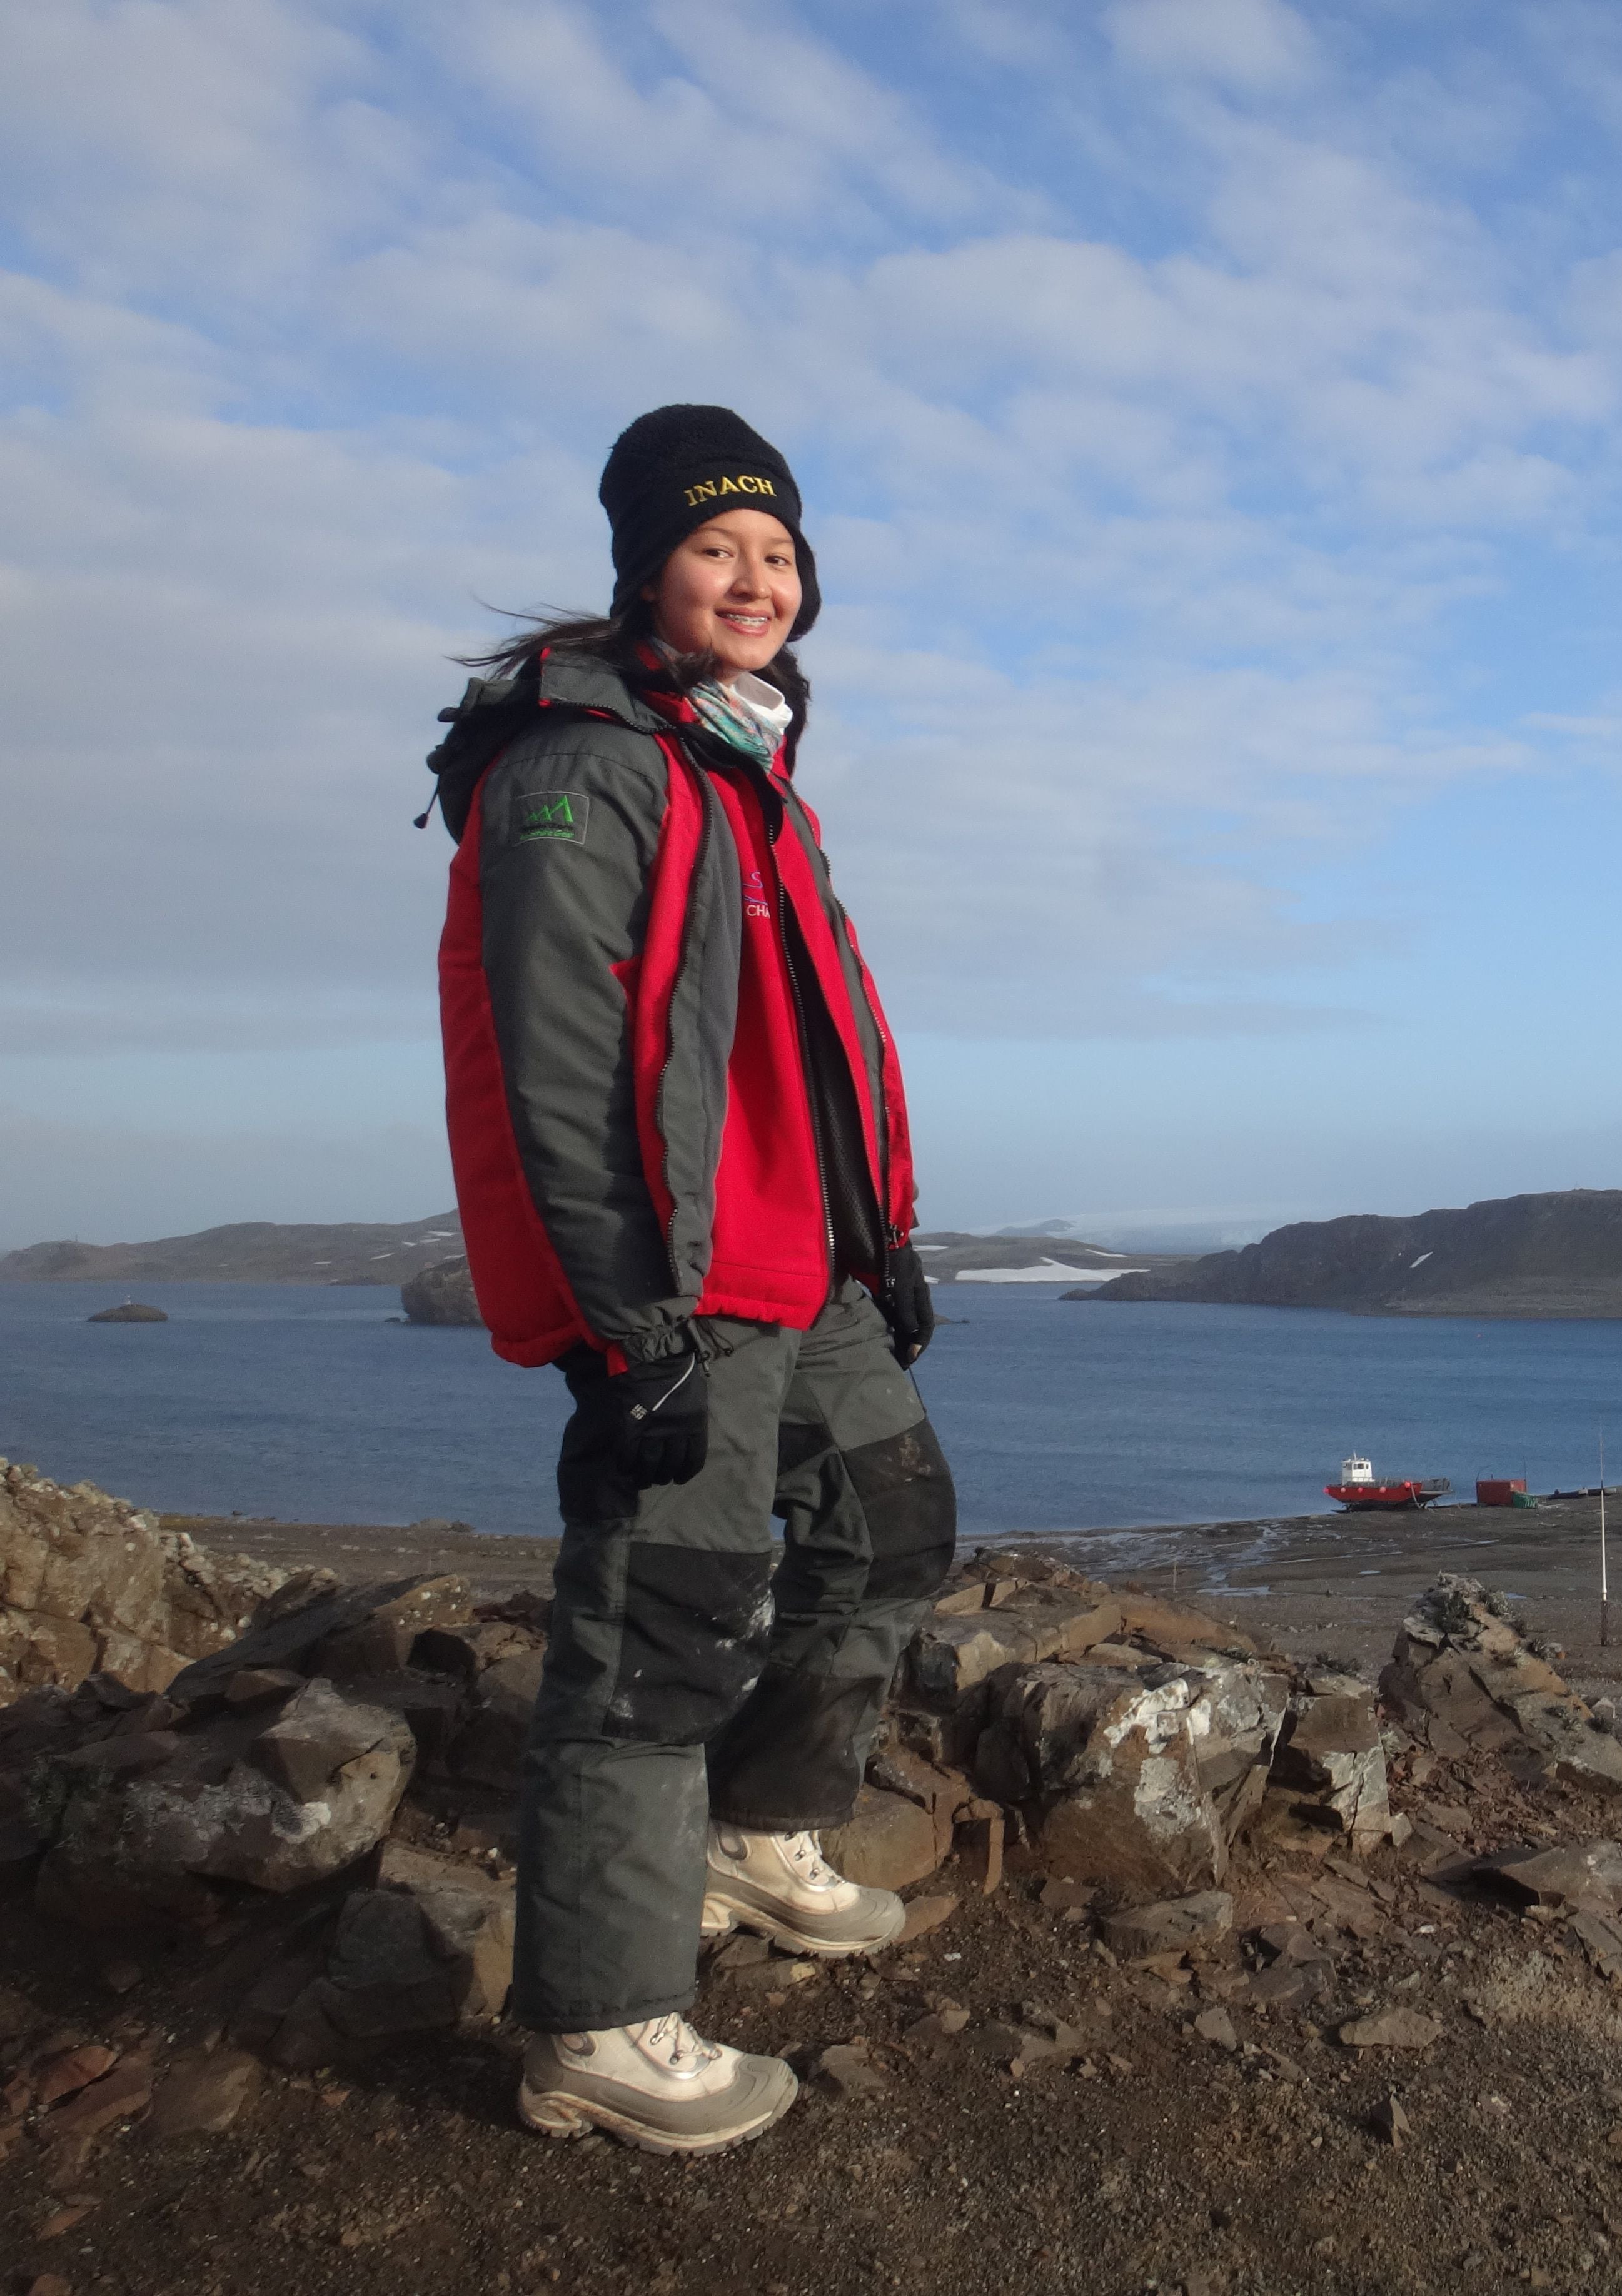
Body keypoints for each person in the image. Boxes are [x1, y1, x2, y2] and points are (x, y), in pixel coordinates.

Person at [425, 406, 954, 2155]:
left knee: (892, 1525)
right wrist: (624, 1328)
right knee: (658, 1629)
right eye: (720, 546)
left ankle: (754, 1834)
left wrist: (884, 1240)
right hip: (685, 1287)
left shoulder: (747, 763)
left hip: (813, 1270)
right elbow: (555, 1066)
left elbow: (809, 1044)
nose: (757, 578)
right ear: (649, 566)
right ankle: (598, 2022)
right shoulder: (582, 765)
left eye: (782, 553)